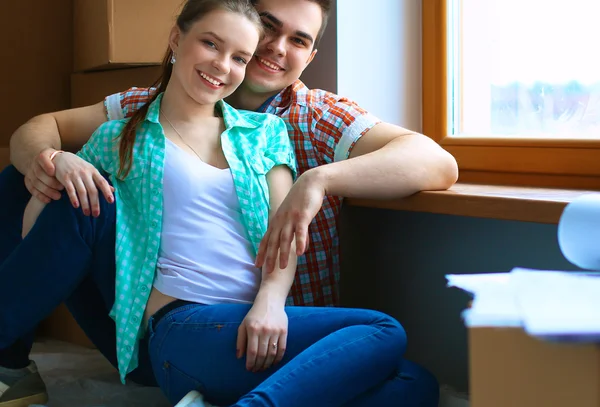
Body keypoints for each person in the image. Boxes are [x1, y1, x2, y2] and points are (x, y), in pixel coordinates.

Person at [1, 0, 456, 405]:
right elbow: (41, 133)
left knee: (414, 384)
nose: (276, 47)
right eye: (268, 28)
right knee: (30, 174)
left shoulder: (300, 121)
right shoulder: (139, 115)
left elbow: (436, 163)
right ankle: (8, 363)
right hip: (169, 319)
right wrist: (55, 161)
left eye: (297, 40)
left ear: (310, 56)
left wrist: (318, 180)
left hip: (271, 321)